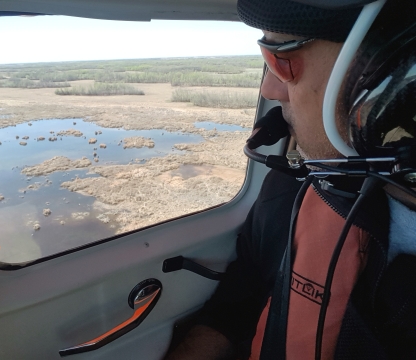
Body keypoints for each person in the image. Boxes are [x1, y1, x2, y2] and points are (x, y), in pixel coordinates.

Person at [165, 0, 416, 359]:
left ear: (401, 72)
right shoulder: (298, 185)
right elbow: (241, 301)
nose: (268, 89)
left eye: (278, 61)